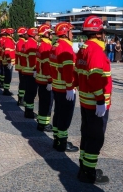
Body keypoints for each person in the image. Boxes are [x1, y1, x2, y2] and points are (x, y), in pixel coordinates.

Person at [75, 16, 111, 184]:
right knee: (96, 137)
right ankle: (88, 172)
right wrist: (100, 100)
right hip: (94, 103)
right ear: (99, 34)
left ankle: (83, 166)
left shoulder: (83, 48)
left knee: (87, 135)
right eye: (103, 32)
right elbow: (95, 78)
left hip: (85, 101)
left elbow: (77, 72)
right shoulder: (95, 51)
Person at [49, 22, 79, 153]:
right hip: (64, 88)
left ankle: (57, 139)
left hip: (57, 86)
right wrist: (69, 87)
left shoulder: (55, 46)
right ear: (65, 33)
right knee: (65, 117)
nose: (72, 34)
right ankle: (62, 143)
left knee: (58, 114)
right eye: (71, 32)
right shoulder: (66, 49)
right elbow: (67, 70)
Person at [35, 24, 54, 132]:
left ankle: (41, 122)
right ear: (46, 34)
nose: (52, 35)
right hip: (46, 80)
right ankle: (44, 124)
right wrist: (50, 81)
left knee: (43, 102)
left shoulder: (40, 45)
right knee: (47, 103)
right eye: (50, 33)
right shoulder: (47, 47)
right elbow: (47, 65)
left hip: (41, 78)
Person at [21, 27, 40, 118]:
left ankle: (27, 110)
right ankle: (29, 112)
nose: (39, 36)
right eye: (37, 35)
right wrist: (36, 69)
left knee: (28, 92)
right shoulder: (32, 44)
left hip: (26, 71)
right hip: (31, 72)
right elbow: (33, 60)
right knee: (31, 93)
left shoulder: (26, 43)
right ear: (33, 35)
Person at [15, 27, 28, 106]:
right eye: (26, 34)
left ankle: (21, 98)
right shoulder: (22, 43)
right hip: (22, 66)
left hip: (21, 66)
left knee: (23, 83)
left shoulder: (21, 42)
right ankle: (21, 99)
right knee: (23, 84)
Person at [3, 28, 16, 95]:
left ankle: (6, 89)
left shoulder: (9, 40)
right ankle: (6, 90)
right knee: (8, 77)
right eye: (13, 33)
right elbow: (7, 52)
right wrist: (9, 62)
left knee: (8, 77)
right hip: (8, 62)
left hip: (9, 62)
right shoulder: (8, 41)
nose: (14, 34)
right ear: (10, 34)